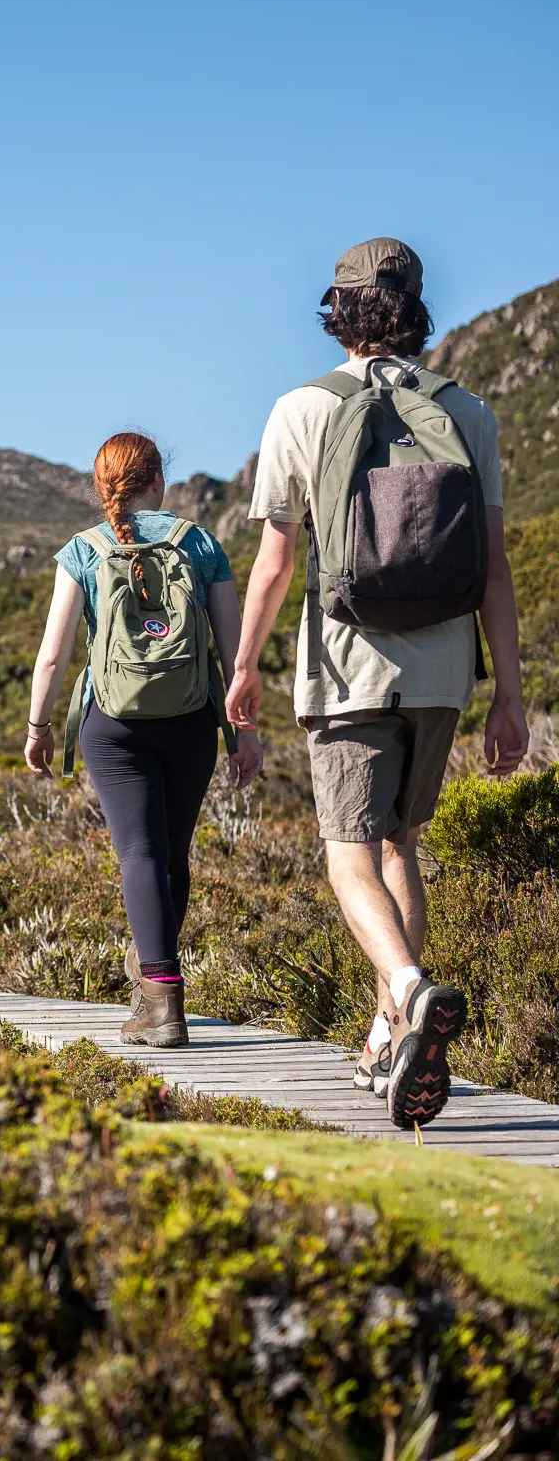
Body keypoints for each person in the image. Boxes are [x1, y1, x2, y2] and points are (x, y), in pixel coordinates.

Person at [225, 237, 529, 1130]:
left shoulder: (300, 409)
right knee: (403, 847)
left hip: (348, 666)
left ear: (342, 309)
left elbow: (278, 562)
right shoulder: (469, 412)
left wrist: (244, 665)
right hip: (441, 669)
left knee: (348, 854)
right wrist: (509, 695)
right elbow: (497, 570)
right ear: (416, 308)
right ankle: (385, 1038)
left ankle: (406, 989)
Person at [26, 432, 262, 1046]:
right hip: (191, 719)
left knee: (140, 853)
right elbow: (236, 652)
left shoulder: (83, 550)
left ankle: (159, 999)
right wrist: (244, 732)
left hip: (113, 724)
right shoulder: (201, 544)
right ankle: (153, 975)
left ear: (101, 488)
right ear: (159, 481)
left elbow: (52, 657)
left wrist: (40, 726)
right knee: (171, 852)